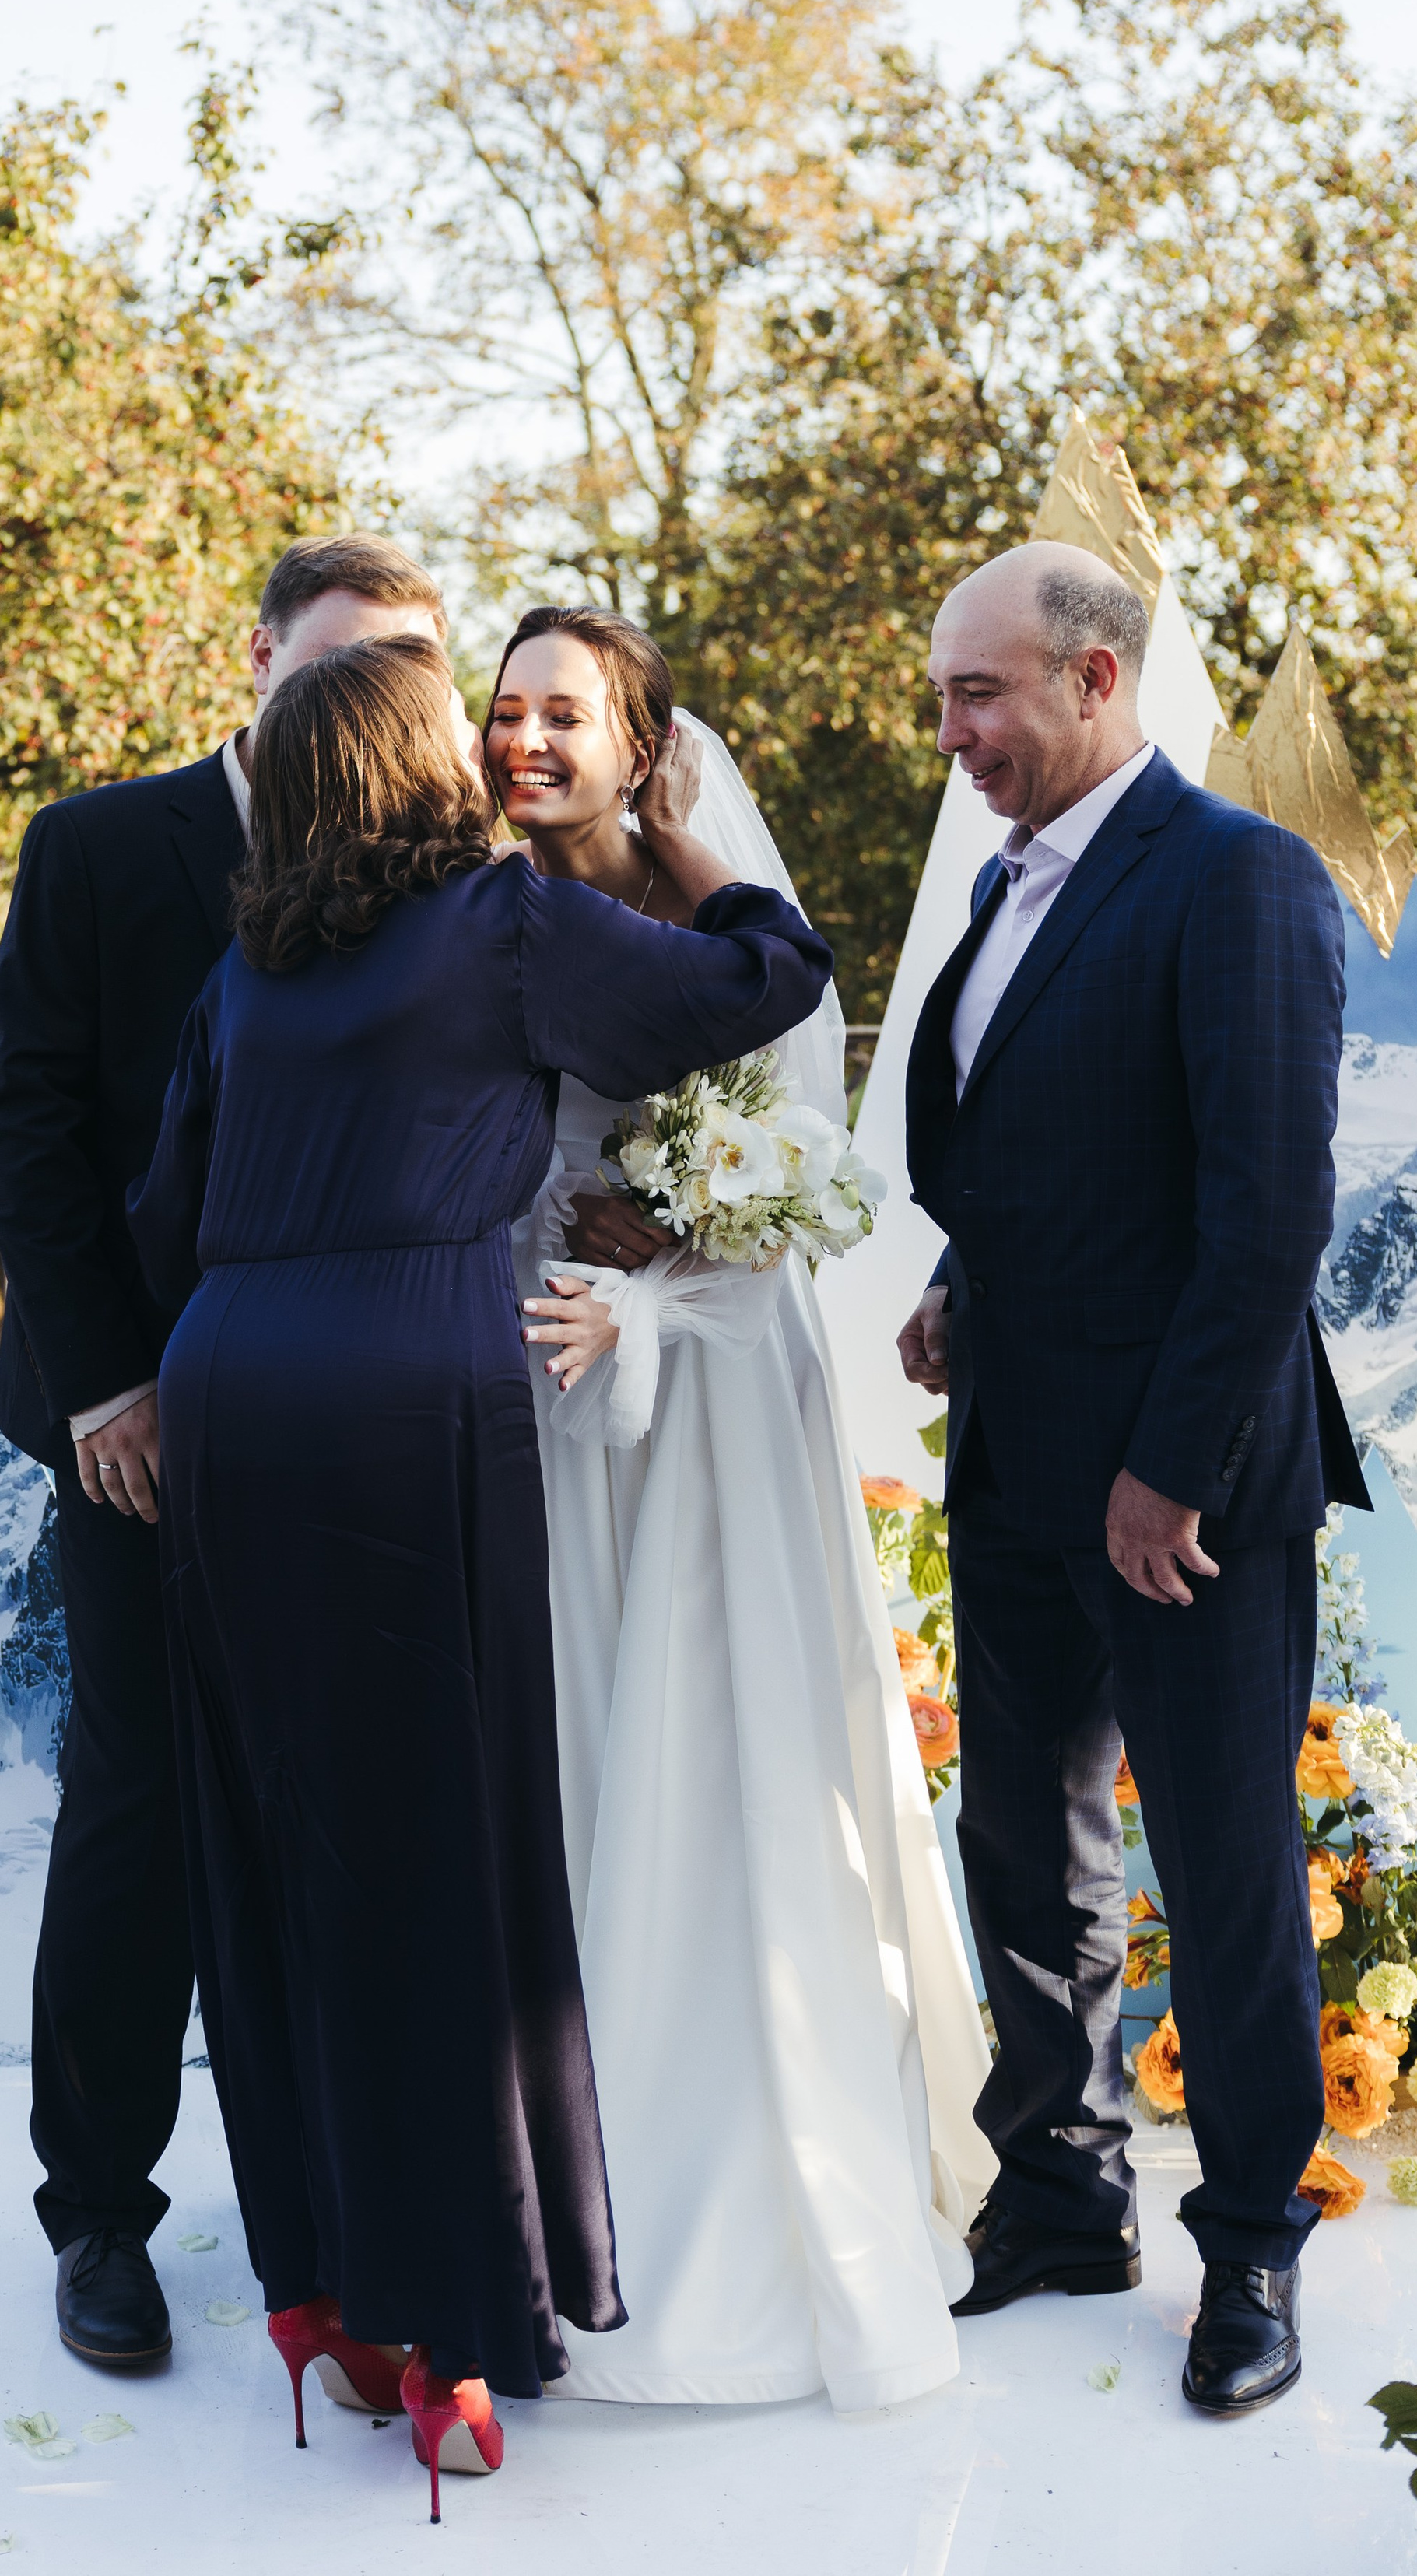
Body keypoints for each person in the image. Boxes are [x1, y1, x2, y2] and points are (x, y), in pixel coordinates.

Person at [126, 634, 833, 2515]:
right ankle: (453, 2332)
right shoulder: (497, 929)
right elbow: (766, 983)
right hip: (399, 1404)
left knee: (273, 1855)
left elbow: (159, 1210)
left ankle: (324, 2300)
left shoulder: (242, 973)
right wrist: (699, 852)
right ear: (414, 772)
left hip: (228, 1397)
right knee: (432, 1867)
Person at [486, 606, 992, 2414]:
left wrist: (689, 1236)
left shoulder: (728, 920)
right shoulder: (475, 917)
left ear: (639, 744)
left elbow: (798, 1158)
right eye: (504, 710)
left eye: (565, 714)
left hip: (715, 1390)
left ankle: (766, 2172)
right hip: (559, 1390)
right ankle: (562, 2179)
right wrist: (565, 1242)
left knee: (730, 1755)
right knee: (581, 1753)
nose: (524, 739)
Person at [896, 541, 1369, 2417]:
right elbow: (1051, 1140)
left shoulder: (1239, 880)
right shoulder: (1015, 884)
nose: (952, 735)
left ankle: (1249, 2253)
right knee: (1025, 1845)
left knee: (1227, 1869)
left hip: (1185, 1488)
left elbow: (1267, 1217)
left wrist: (1164, 1473)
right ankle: (1058, 2199)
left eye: (980, 694)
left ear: (1097, 680)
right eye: (944, 696)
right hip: (1014, 1454)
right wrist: (956, 1282)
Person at [0, 534, 448, 2369]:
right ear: (256, 660)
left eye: (401, 663)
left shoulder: (437, 869)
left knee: (339, 1807)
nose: (365, 695)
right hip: (140, 1433)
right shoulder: (98, 849)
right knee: (142, 1804)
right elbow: (24, 1128)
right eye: (335, 659)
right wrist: (105, 1389)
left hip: (361, 1432)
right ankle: (97, 2212)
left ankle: (325, 2215)